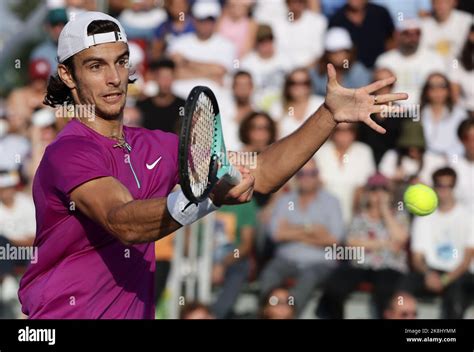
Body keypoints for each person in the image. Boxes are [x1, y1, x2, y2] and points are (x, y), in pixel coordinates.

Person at [17, 11, 408, 319]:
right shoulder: (68, 151)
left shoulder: (156, 144)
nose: (115, 78)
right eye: (96, 66)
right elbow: (125, 223)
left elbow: (263, 173)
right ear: (67, 75)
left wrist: (327, 114)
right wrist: (204, 198)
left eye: (120, 61)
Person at [317, 173, 409, 319]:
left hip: (390, 266)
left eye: (383, 189)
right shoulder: (360, 216)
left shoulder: (399, 215)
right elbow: (351, 243)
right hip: (361, 265)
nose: (378, 194)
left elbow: (400, 238)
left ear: (390, 193)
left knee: (385, 292)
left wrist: (385, 210)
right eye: (374, 189)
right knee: (334, 288)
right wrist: (384, 243)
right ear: (367, 193)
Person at [259, 159, 345, 317]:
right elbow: (275, 234)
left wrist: (291, 230)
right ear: (296, 176)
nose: (307, 177)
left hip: (319, 262)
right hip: (286, 259)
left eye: (312, 173)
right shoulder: (285, 200)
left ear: (318, 176)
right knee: (269, 274)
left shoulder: (332, 202)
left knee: (308, 278)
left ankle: (288, 316)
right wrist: (312, 230)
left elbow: (335, 240)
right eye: (302, 173)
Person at [400, 167, 474, 319]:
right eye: (440, 185)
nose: (444, 190)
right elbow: (417, 258)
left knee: (457, 293)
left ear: (454, 187)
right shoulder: (423, 216)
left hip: (458, 274)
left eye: (449, 186)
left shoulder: (468, 217)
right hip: (430, 271)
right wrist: (428, 274)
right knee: (401, 287)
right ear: (434, 187)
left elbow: (466, 260)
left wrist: (445, 280)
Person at [419, 73, 466, 157]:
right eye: (432, 87)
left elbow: (464, 141)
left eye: (442, 86)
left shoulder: (460, 114)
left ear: (448, 90)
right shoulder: (418, 114)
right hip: (425, 160)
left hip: (454, 160)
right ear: (426, 91)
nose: (437, 91)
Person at [136, 58, 185, 134]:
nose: (165, 81)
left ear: (174, 78)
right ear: (155, 78)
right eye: (162, 77)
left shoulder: (183, 105)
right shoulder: (142, 105)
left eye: (169, 77)